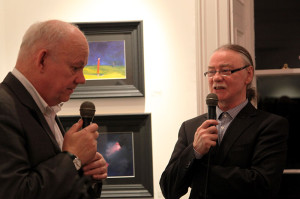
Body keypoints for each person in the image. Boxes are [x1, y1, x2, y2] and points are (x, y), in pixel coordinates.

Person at [160, 44, 289, 199]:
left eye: (225, 71)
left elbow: (263, 185)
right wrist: (195, 151)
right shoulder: (190, 127)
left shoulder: (270, 125)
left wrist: (198, 174)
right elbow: (168, 188)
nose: (216, 78)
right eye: (211, 72)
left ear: (248, 74)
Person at [0, 20, 108, 199]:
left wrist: (89, 174)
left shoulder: (44, 110)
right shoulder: (4, 108)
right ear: (42, 60)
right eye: (75, 67)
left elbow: (58, 186)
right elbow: (13, 193)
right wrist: (73, 158)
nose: (82, 79)